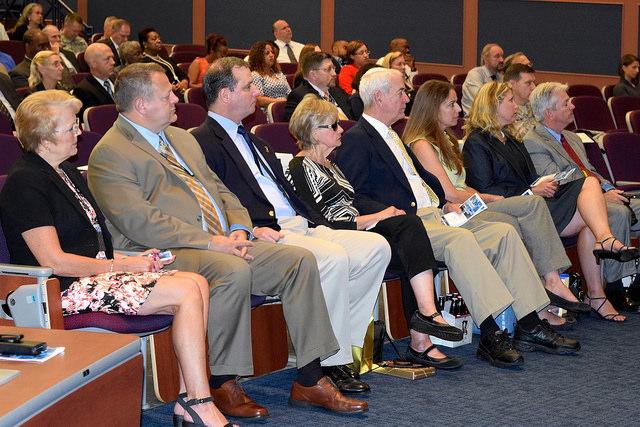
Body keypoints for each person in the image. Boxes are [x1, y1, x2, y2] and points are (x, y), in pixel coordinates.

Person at [87, 63, 362, 417]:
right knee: (231, 269)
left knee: (298, 261)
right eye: (166, 94)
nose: (176, 98)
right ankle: (222, 380)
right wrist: (211, 242)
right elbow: (140, 223)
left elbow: (220, 191)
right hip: (162, 253)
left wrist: (238, 229)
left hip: (219, 241)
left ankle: (310, 378)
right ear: (141, 105)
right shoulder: (110, 152)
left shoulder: (181, 138)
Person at [0, 90, 232, 427]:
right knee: (185, 291)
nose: (79, 131)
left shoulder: (65, 171)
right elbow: (55, 262)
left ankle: (190, 399)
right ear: (45, 138)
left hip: (91, 278)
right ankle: (199, 402)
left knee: (196, 282)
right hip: (59, 290)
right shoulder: (25, 183)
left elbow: (90, 244)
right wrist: (122, 265)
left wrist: (131, 257)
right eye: (69, 128)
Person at [336, 68, 580, 368]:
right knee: (461, 240)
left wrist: (443, 202)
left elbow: (423, 182)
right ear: (379, 96)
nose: (406, 97)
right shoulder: (358, 139)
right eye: (401, 91)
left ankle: (529, 323)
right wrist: (392, 211)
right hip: (408, 224)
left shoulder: (394, 137)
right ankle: (492, 334)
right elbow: (352, 195)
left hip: (436, 216)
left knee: (503, 233)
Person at [192, 57, 390, 394]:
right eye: (247, 86)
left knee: (375, 248)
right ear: (225, 94)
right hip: (264, 230)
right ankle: (329, 363)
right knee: (331, 258)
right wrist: (248, 228)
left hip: (301, 223)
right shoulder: (201, 142)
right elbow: (208, 202)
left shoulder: (257, 141)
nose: (257, 92)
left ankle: (347, 348)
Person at [287, 94, 465, 369]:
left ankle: (423, 327)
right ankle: (427, 319)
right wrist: (378, 216)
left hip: (360, 233)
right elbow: (320, 222)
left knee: (409, 234)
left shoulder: (331, 164)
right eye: (333, 126)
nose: (340, 129)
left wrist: (381, 215)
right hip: (336, 238)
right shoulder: (300, 167)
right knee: (408, 229)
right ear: (313, 131)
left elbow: (351, 205)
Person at [405, 80, 591, 327]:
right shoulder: (422, 144)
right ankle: (545, 292)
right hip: (451, 214)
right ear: (432, 108)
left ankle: (541, 298)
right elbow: (449, 193)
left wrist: (481, 196)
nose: (459, 110)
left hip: (469, 205)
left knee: (523, 213)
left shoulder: (446, 141)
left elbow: (464, 187)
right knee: (526, 210)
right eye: (451, 104)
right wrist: (490, 198)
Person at [463, 82, 639, 322]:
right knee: (588, 184)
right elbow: (485, 188)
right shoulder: (478, 142)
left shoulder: (512, 140)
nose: (516, 105)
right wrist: (532, 189)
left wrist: (539, 184)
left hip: (532, 202)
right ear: (493, 106)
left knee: (591, 220)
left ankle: (596, 295)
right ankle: (603, 242)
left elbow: (531, 178)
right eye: (510, 101)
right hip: (513, 206)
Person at [523, 81, 640, 313]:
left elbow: (590, 170)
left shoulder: (573, 137)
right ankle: (619, 286)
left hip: (593, 193)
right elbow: (556, 180)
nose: (572, 107)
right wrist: (598, 194)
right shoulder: (533, 141)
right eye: (566, 103)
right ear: (549, 112)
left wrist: (606, 188)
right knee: (615, 212)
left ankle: (632, 276)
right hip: (565, 205)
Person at [284, 51, 353, 121]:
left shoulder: (337, 91)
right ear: (313, 74)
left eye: (333, 68)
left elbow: (353, 117)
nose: (334, 73)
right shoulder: (300, 97)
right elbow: (302, 128)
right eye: (328, 69)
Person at [71, 42, 116, 118]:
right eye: (107, 59)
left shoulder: (118, 79)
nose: (113, 62)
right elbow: (94, 120)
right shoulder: (83, 90)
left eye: (112, 58)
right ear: (93, 64)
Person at [139, 27, 188, 92]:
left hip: (180, 90)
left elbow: (182, 74)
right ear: (145, 44)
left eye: (159, 38)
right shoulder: (144, 63)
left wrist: (184, 82)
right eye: (154, 39)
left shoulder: (165, 58)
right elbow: (152, 85)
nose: (159, 41)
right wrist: (169, 87)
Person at [461, 43, 504, 115]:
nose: (501, 60)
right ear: (485, 58)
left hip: (494, 117)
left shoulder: (500, 76)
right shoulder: (475, 74)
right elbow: (482, 100)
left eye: (502, 56)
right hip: (475, 119)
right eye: (497, 56)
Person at [248, 41, 291, 109]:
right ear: (259, 57)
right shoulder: (255, 75)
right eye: (267, 53)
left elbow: (289, 93)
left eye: (272, 52)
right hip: (269, 111)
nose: (271, 55)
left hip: (286, 108)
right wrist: (279, 102)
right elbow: (259, 100)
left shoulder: (279, 73)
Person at [504, 63, 537, 140]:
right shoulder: (502, 112)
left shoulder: (537, 107)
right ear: (511, 84)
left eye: (533, 82)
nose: (533, 87)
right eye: (528, 83)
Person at [41, 24, 79, 91]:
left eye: (59, 36)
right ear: (45, 40)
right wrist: (55, 54)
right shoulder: (43, 59)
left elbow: (79, 76)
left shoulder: (70, 54)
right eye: (54, 37)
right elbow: (62, 81)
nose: (58, 39)